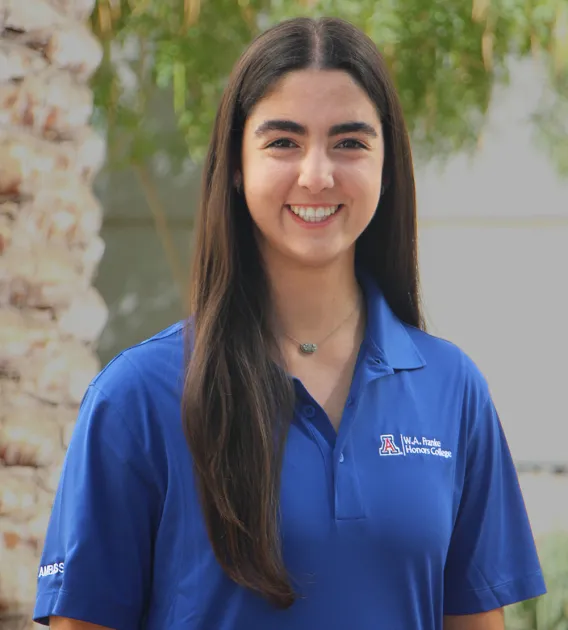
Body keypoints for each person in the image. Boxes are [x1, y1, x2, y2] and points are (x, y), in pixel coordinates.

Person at [33, 16, 546, 630]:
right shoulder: (137, 396)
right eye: (284, 141)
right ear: (234, 166)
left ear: (388, 165)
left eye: (350, 142)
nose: (317, 174)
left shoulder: (452, 389)